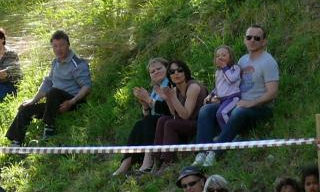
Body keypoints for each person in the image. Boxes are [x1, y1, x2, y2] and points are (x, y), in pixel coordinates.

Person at [192, 25, 278, 165]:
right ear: (244, 40)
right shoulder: (243, 60)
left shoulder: (268, 62)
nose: (252, 40)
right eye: (249, 37)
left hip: (260, 108)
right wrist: (216, 95)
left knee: (238, 112)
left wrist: (251, 103)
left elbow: (273, 93)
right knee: (205, 110)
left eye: (257, 38)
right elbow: (230, 82)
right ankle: (202, 152)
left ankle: (215, 152)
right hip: (236, 102)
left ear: (264, 41)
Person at [5, 30, 91, 143]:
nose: (58, 49)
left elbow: (87, 87)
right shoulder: (55, 62)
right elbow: (48, 82)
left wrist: (72, 102)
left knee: (53, 91)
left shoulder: (77, 63)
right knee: (25, 108)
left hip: (73, 102)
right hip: (54, 104)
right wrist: (33, 100)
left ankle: (49, 127)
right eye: (55, 46)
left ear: (68, 45)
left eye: (61, 45)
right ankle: (16, 141)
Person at [113, 58, 171, 177]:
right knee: (139, 124)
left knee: (148, 121)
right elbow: (147, 115)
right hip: (154, 121)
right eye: (152, 71)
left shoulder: (170, 84)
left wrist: (148, 100)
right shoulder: (155, 89)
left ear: (167, 69)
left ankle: (148, 160)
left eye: (159, 69)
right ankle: (126, 162)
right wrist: (145, 105)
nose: (156, 72)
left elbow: (167, 108)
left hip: (168, 119)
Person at [152, 60, 206, 171]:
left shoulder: (193, 87)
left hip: (199, 123)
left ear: (185, 72)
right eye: (172, 72)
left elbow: (186, 115)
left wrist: (173, 97)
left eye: (179, 70)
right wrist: (167, 98)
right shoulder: (175, 89)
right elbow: (174, 113)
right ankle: (157, 160)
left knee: (170, 123)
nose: (176, 74)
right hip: (187, 123)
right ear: (169, 76)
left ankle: (169, 161)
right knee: (163, 120)